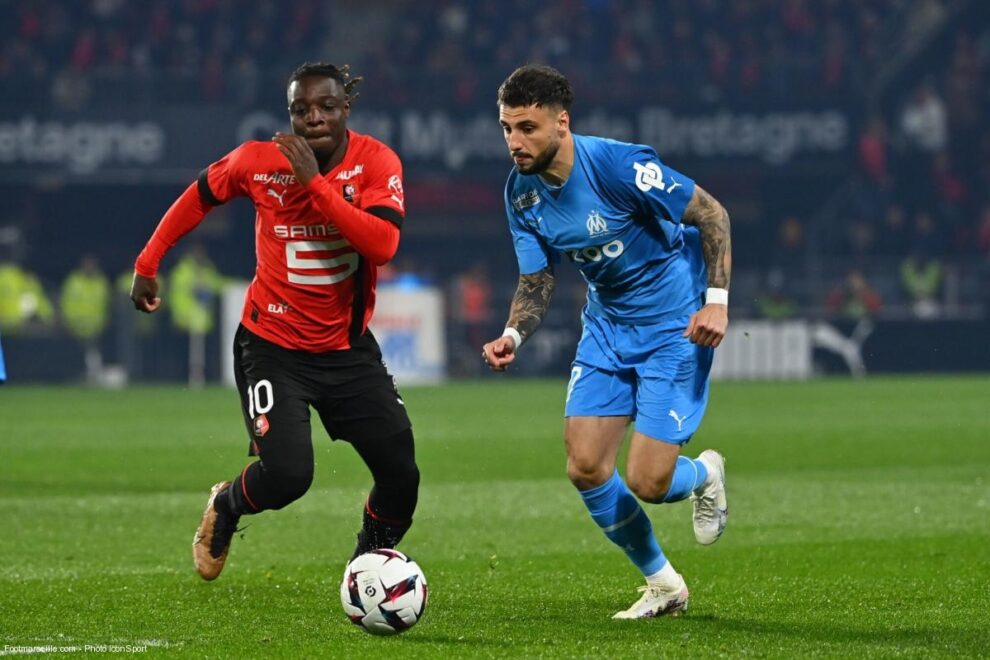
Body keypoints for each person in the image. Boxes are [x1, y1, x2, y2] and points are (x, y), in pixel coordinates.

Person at [130, 62, 420, 581]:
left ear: (345, 109)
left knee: (401, 475)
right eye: (301, 109)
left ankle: (365, 568)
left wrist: (315, 185)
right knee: (288, 476)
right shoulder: (257, 161)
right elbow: (198, 196)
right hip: (271, 347)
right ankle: (226, 505)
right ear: (289, 115)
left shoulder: (377, 162)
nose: (314, 118)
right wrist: (148, 263)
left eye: (326, 107)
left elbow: (382, 245)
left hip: (346, 349)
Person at [482, 65, 731, 619]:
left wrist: (716, 300)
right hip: (607, 328)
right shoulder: (521, 193)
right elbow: (536, 279)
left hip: (674, 327)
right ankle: (664, 585)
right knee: (586, 466)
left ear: (561, 123)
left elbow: (711, 214)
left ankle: (705, 474)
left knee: (648, 481)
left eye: (527, 128)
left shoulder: (619, 167)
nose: (514, 142)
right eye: (506, 128)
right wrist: (513, 334)